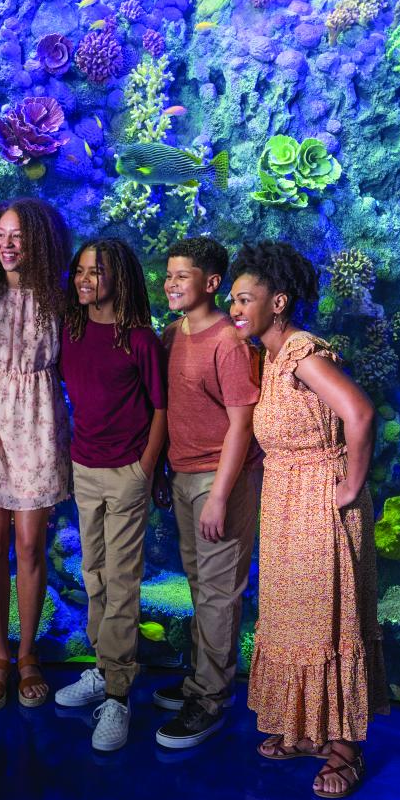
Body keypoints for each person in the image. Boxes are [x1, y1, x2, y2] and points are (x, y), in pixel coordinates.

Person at [228, 240, 388, 799]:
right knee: (295, 619)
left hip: (320, 503)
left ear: (280, 302)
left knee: (330, 620)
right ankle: (304, 729)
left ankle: (344, 746)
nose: (235, 307)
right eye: (232, 299)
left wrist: (350, 484)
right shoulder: (269, 357)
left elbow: (360, 413)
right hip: (286, 502)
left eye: (246, 298)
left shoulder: (302, 353)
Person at [54, 238, 168, 751]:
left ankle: (119, 697)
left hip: (126, 472)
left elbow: (161, 409)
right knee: (94, 576)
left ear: (119, 278)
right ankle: (103, 671)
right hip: (84, 468)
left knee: (121, 582)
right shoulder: (71, 329)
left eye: (95, 273)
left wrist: (145, 468)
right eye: (79, 271)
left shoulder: (140, 339)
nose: (83, 280)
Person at [0, 198, 71, 712]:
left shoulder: (59, 296)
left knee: (30, 543)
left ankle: (28, 654)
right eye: (1, 235)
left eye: (19, 236)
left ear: (40, 242)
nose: (7, 245)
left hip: (40, 420)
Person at [154, 236, 262, 749]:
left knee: (219, 594)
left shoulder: (229, 342)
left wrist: (219, 496)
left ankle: (210, 701)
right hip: (182, 474)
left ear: (212, 283)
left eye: (182, 275)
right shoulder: (173, 334)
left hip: (223, 478)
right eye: (168, 274)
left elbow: (242, 424)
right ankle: (201, 676)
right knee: (200, 587)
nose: (170, 283)